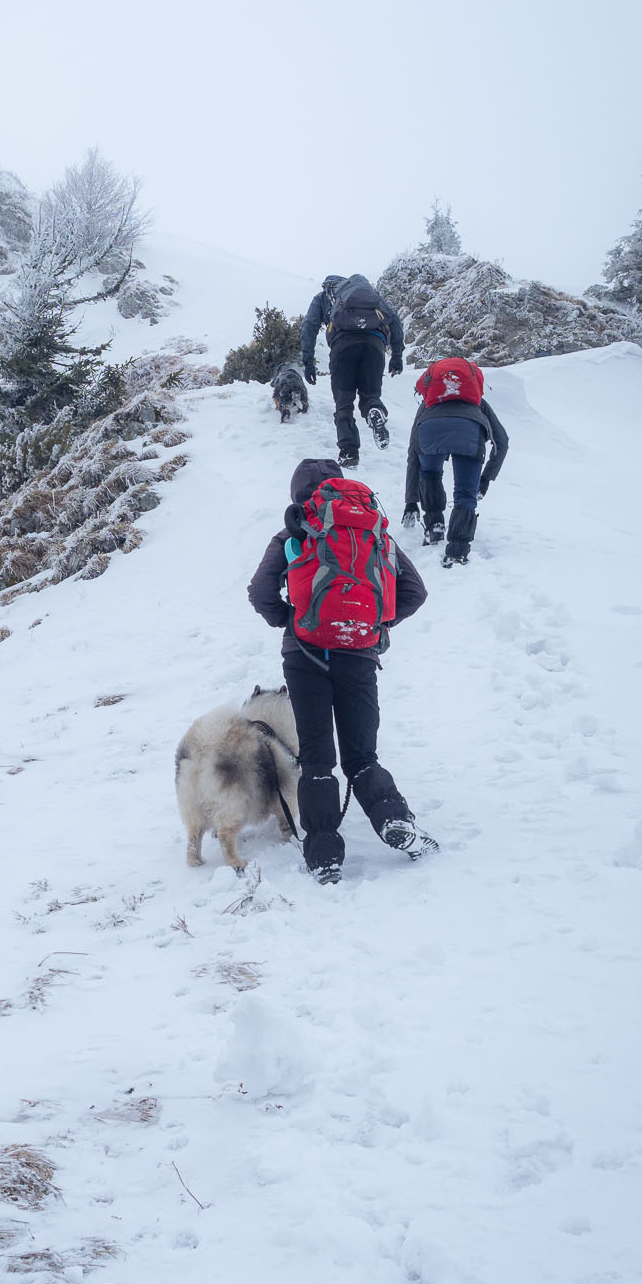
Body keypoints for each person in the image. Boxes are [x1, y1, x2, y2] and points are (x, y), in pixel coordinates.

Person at [248, 457, 438, 884]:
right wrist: (376, 625)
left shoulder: (294, 531)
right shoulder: (372, 532)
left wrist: (289, 620)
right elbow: (415, 591)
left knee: (317, 758)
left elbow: (260, 592)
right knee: (362, 756)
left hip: (304, 656)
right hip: (359, 655)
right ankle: (394, 820)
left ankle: (324, 856)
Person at [401, 356, 508, 567]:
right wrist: (485, 479)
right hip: (470, 433)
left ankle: (434, 526)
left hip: (429, 429)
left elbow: (414, 453)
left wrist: (411, 501)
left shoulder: (427, 405)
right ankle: (457, 551)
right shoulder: (478, 404)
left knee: (429, 474)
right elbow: (501, 442)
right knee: (466, 494)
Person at [300, 273, 405, 468]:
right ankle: (373, 409)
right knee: (370, 395)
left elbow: (309, 326)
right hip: (374, 346)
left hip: (343, 348)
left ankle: (349, 453)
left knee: (344, 404)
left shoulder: (323, 298)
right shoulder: (370, 296)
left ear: (328, 286)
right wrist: (397, 354)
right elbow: (394, 320)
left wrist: (308, 360)